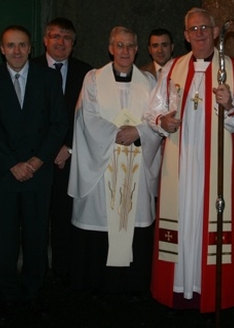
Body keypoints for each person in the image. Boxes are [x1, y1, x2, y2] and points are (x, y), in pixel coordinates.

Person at [145, 7, 234, 313]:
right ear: (185, 35)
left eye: (204, 28)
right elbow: (152, 111)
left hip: (216, 166)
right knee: (180, 218)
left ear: (214, 32)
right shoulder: (173, 68)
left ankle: (213, 290)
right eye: (192, 29)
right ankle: (179, 287)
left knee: (214, 223)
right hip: (180, 163)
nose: (199, 34)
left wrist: (232, 105)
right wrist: (163, 121)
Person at [0, 25, 67, 324]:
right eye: (10, 45)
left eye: (22, 45)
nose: (16, 51)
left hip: (39, 174)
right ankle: (7, 298)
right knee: (5, 240)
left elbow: (58, 123)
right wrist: (12, 164)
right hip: (5, 174)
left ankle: (34, 293)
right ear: (1, 49)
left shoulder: (49, 78)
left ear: (31, 48)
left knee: (37, 237)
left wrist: (38, 161)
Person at [67, 26, 161, 298]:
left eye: (130, 46)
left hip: (137, 163)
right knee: (102, 221)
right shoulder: (93, 79)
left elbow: (157, 118)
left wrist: (140, 132)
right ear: (110, 48)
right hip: (103, 165)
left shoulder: (149, 81)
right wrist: (117, 134)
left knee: (135, 220)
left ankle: (134, 284)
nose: (125, 51)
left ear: (136, 49)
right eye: (119, 45)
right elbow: (87, 117)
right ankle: (96, 283)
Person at [33, 17, 92, 285]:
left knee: (64, 217)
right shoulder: (28, 67)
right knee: (34, 218)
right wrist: (45, 150)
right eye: (55, 36)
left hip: (69, 158)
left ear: (74, 43)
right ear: (45, 40)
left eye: (67, 38)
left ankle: (63, 272)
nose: (61, 42)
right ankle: (35, 272)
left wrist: (68, 147)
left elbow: (89, 117)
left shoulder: (87, 74)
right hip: (34, 157)